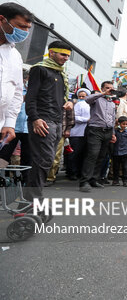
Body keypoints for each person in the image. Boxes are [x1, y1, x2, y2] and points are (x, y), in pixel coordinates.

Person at [24, 40, 73, 201]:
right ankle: (33, 201)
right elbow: (30, 98)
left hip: (57, 122)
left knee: (47, 161)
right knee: (43, 160)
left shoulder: (60, 73)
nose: (66, 58)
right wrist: (35, 119)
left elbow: (59, 97)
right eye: (62, 54)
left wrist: (68, 102)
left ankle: (30, 201)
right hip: (43, 121)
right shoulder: (40, 69)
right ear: (51, 52)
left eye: (68, 56)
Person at [0, 3, 32, 151]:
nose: (25, 32)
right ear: (2, 20)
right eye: (21, 26)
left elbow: (16, 92)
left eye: (27, 28)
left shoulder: (14, 55)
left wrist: (9, 122)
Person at [80, 81, 117, 192]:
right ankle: (84, 182)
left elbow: (113, 118)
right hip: (95, 130)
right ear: (102, 88)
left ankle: (93, 179)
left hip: (108, 131)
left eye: (111, 88)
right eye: (107, 88)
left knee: (101, 156)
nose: (110, 90)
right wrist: (102, 93)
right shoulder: (96, 99)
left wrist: (113, 133)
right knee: (92, 155)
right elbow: (87, 99)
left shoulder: (112, 103)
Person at [0, 69, 31, 168]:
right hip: (12, 127)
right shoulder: (11, 89)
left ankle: (26, 180)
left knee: (27, 156)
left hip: (28, 129)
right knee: (4, 154)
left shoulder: (33, 90)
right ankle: (3, 176)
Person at [65, 88, 90, 181]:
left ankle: (79, 172)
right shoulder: (78, 105)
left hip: (86, 133)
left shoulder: (90, 104)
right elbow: (74, 117)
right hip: (76, 133)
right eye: (80, 96)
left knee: (83, 155)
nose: (81, 98)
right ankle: (72, 173)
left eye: (83, 96)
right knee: (74, 154)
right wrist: (86, 119)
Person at [112, 116, 127, 187]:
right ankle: (115, 180)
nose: (125, 126)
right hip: (116, 152)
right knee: (116, 167)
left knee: (125, 167)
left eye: (126, 124)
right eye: (123, 124)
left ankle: (125, 181)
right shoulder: (115, 131)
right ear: (119, 124)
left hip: (125, 152)